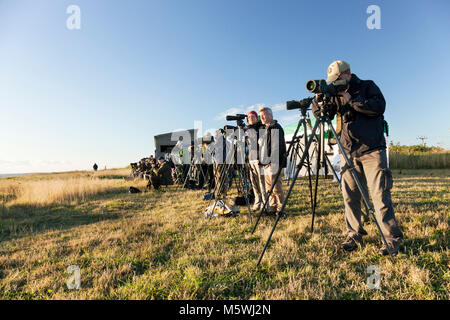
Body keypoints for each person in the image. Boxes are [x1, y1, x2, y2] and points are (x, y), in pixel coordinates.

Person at [311, 60, 403, 256]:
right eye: (332, 81)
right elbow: (320, 114)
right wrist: (320, 98)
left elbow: (379, 107)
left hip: (372, 150)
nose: (335, 83)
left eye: (337, 79)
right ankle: (354, 235)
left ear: (348, 74)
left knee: (380, 195)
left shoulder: (367, 85)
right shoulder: (335, 94)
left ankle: (391, 239)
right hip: (348, 151)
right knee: (350, 196)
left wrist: (350, 98)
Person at [259, 107, 287, 216]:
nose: (261, 117)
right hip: (266, 163)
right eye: (260, 115)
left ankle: (281, 210)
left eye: (263, 115)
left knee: (276, 187)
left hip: (274, 162)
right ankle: (272, 207)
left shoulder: (276, 127)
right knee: (269, 188)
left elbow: (276, 147)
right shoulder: (264, 128)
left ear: (270, 115)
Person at [246, 110, 267, 211]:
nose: (251, 118)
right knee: (253, 182)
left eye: (252, 116)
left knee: (261, 182)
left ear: (256, 117)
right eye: (249, 117)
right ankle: (257, 201)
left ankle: (264, 201)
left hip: (259, 158)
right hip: (251, 159)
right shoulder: (247, 129)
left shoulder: (260, 127)